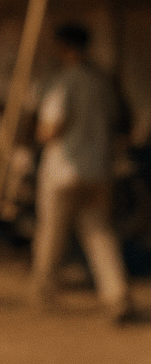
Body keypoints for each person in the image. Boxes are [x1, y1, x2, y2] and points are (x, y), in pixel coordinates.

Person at [32, 22, 133, 322]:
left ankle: (43, 290)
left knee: (51, 232)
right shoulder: (102, 81)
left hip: (64, 170)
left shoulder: (65, 82)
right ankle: (117, 294)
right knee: (99, 232)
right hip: (98, 169)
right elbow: (119, 121)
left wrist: (38, 131)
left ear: (64, 48)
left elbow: (51, 128)